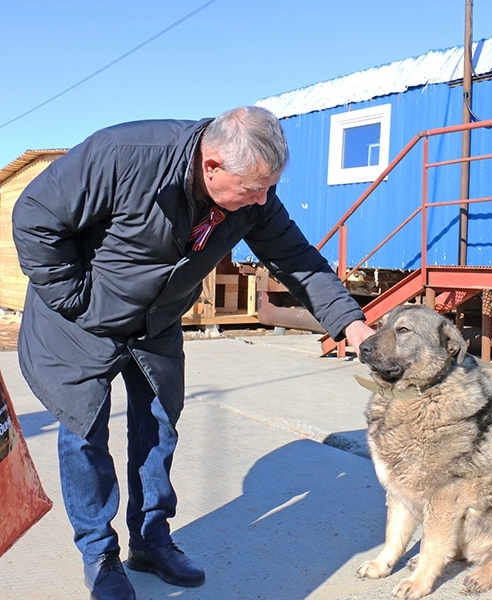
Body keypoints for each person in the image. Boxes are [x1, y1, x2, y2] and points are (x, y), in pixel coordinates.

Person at [12, 106, 375, 600]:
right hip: (78, 321)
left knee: (159, 427)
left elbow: (296, 258)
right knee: (84, 435)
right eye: (253, 188)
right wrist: (75, 298)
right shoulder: (125, 155)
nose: (263, 199)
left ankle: (151, 541)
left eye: (269, 187)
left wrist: (349, 322)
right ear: (212, 166)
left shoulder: (251, 197)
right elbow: (35, 217)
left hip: (155, 321)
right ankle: (99, 554)